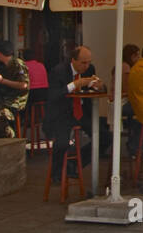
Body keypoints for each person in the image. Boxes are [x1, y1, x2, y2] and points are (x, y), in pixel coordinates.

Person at [44, 45, 107, 181]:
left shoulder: (90, 69)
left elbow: (100, 87)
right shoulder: (59, 71)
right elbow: (54, 95)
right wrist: (75, 84)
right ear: (73, 60)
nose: (86, 66)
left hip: (82, 112)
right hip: (63, 113)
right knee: (62, 143)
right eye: (83, 62)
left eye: (89, 62)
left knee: (105, 137)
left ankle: (74, 165)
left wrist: (100, 86)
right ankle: (57, 173)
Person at [0, 41, 30, 139]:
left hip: (16, 100)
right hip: (5, 98)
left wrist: (2, 81)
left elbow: (23, 85)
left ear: (0, 54)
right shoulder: (5, 66)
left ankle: (11, 138)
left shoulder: (17, 64)